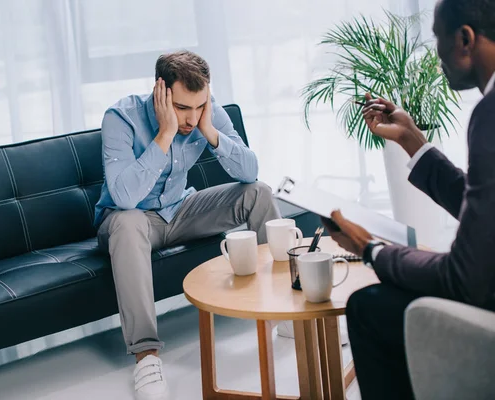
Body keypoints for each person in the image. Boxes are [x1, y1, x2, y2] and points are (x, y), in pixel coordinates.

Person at [320, 0, 495, 398]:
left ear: (465, 39)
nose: (436, 54)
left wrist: (369, 249)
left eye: (437, 38)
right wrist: (412, 139)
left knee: (368, 308)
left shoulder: (490, 115)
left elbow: (464, 279)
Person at [94, 50, 280, 400]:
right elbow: (123, 198)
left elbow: (250, 172)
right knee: (128, 221)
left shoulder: (204, 113)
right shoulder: (120, 117)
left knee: (259, 192)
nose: (191, 118)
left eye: (199, 106)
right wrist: (164, 135)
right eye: (182, 108)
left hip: (180, 211)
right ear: (160, 92)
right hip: (128, 223)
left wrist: (210, 131)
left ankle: (287, 312)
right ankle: (146, 357)